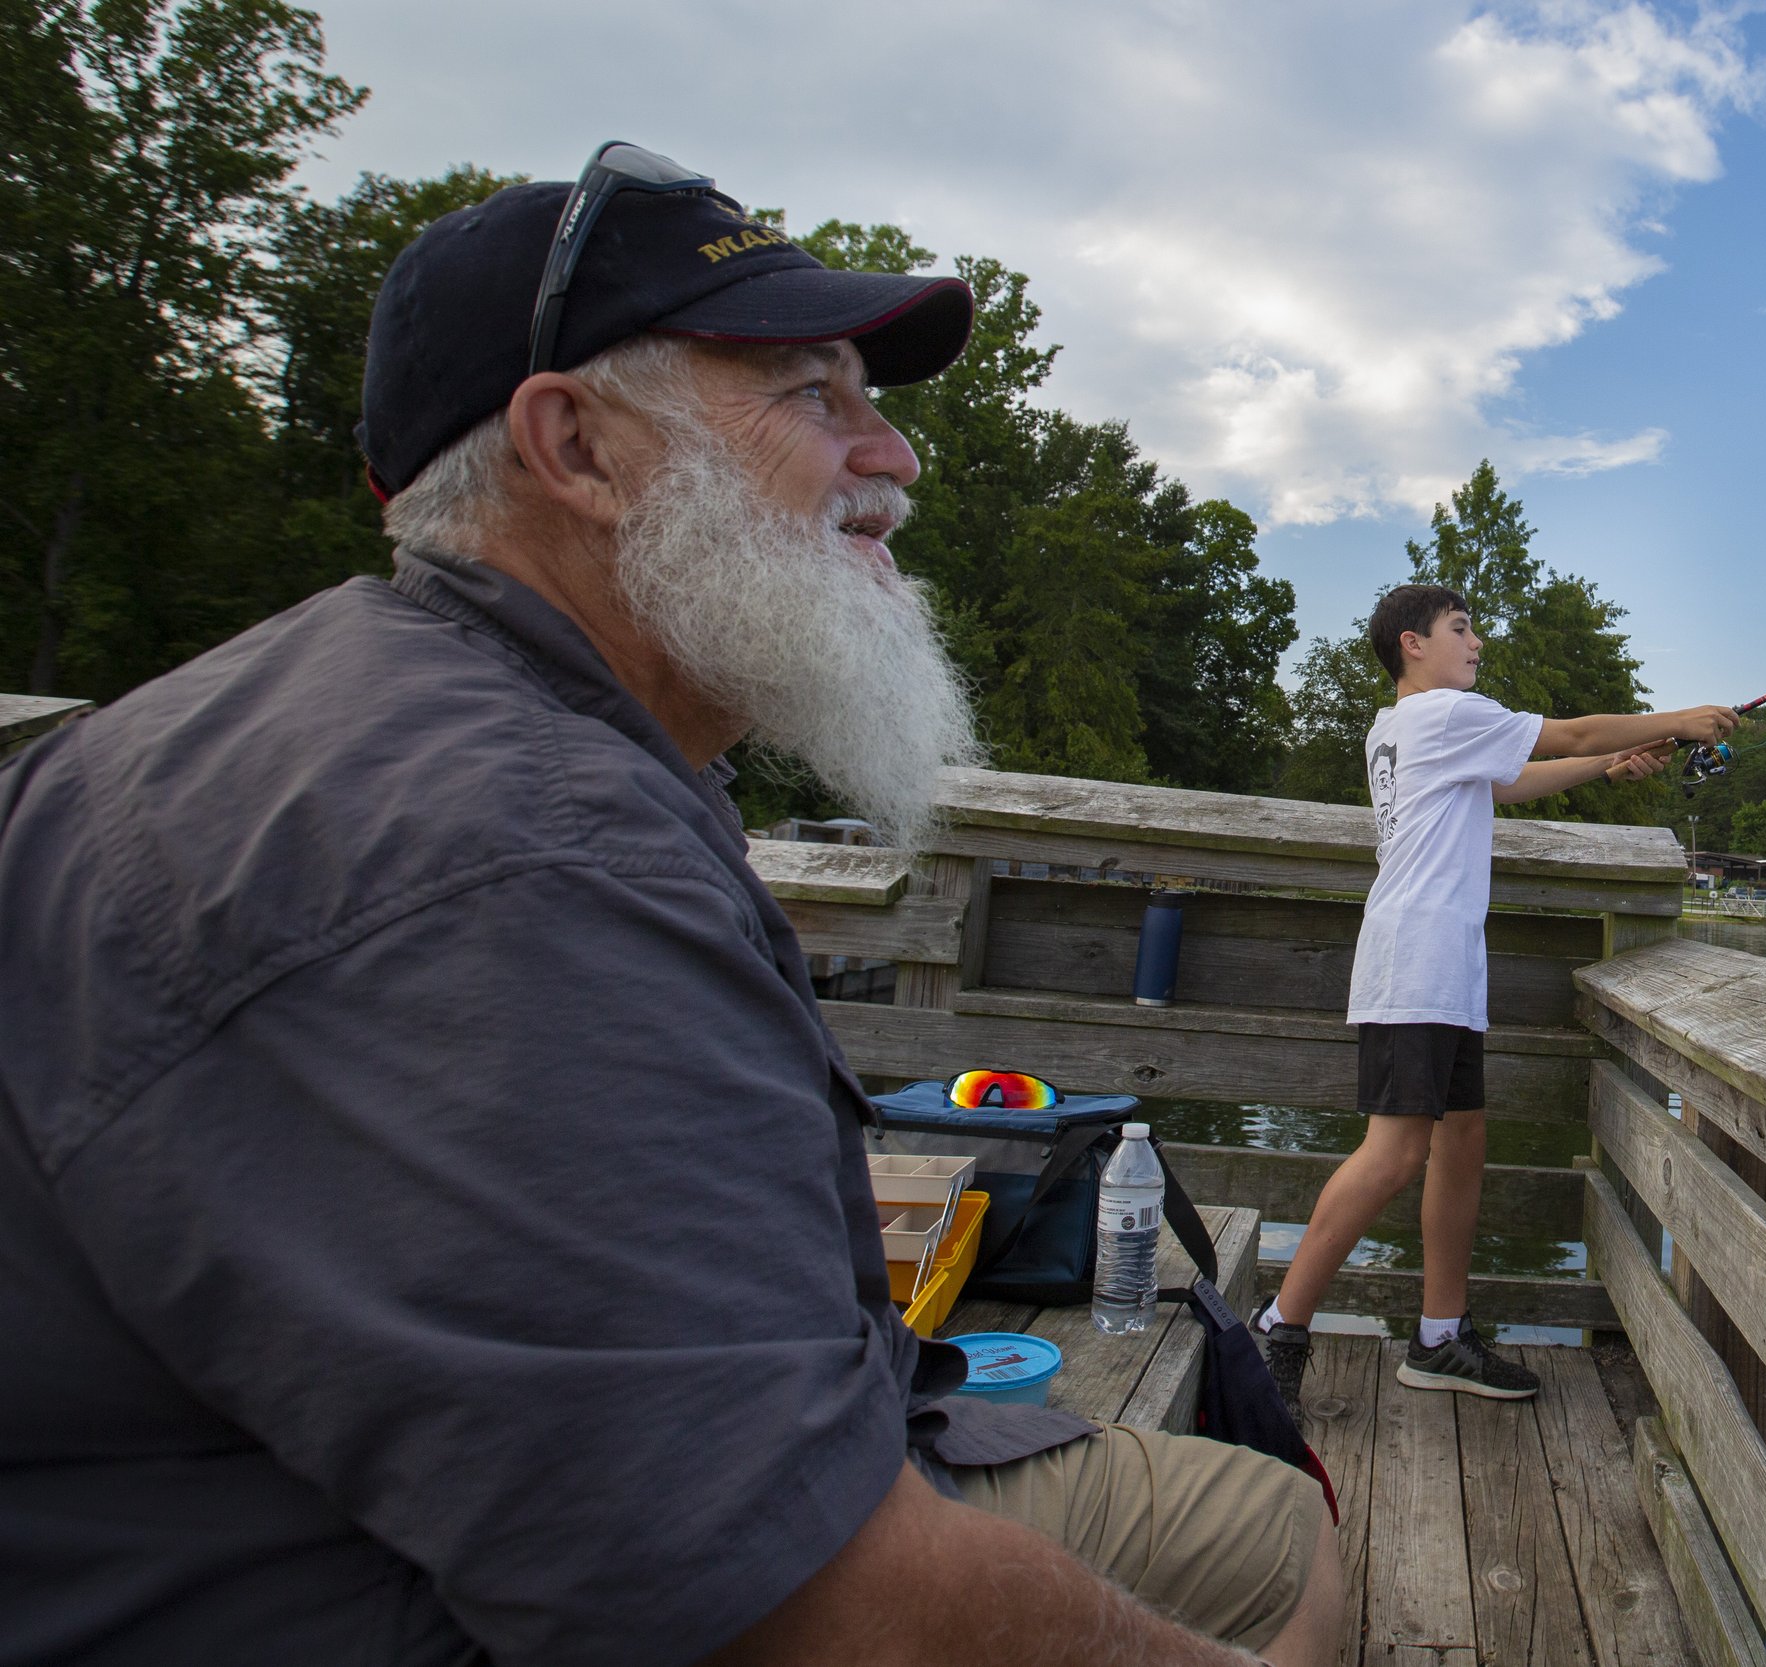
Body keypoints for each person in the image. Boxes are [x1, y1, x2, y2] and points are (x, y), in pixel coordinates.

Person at [0, 144, 1335, 1667]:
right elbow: (809, 1607)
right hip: (349, 1594)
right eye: (810, 394)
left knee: (1265, 1526)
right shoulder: (511, 851)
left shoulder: (394, 722)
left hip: (342, 1519)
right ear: (575, 447)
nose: (893, 453)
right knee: (1272, 1557)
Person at [1255, 584, 1736, 1416]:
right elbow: (1573, 730)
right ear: (1413, 643)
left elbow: (1509, 781)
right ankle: (1277, 1334)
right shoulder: (1441, 715)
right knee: (1395, 1154)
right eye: (1460, 628)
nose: (1476, 641)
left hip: (1439, 969)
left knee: (1464, 1140)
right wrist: (1680, 718)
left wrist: (1615, 763)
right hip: (1416, 966)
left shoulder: (1400, 727)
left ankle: (1440, 1335)